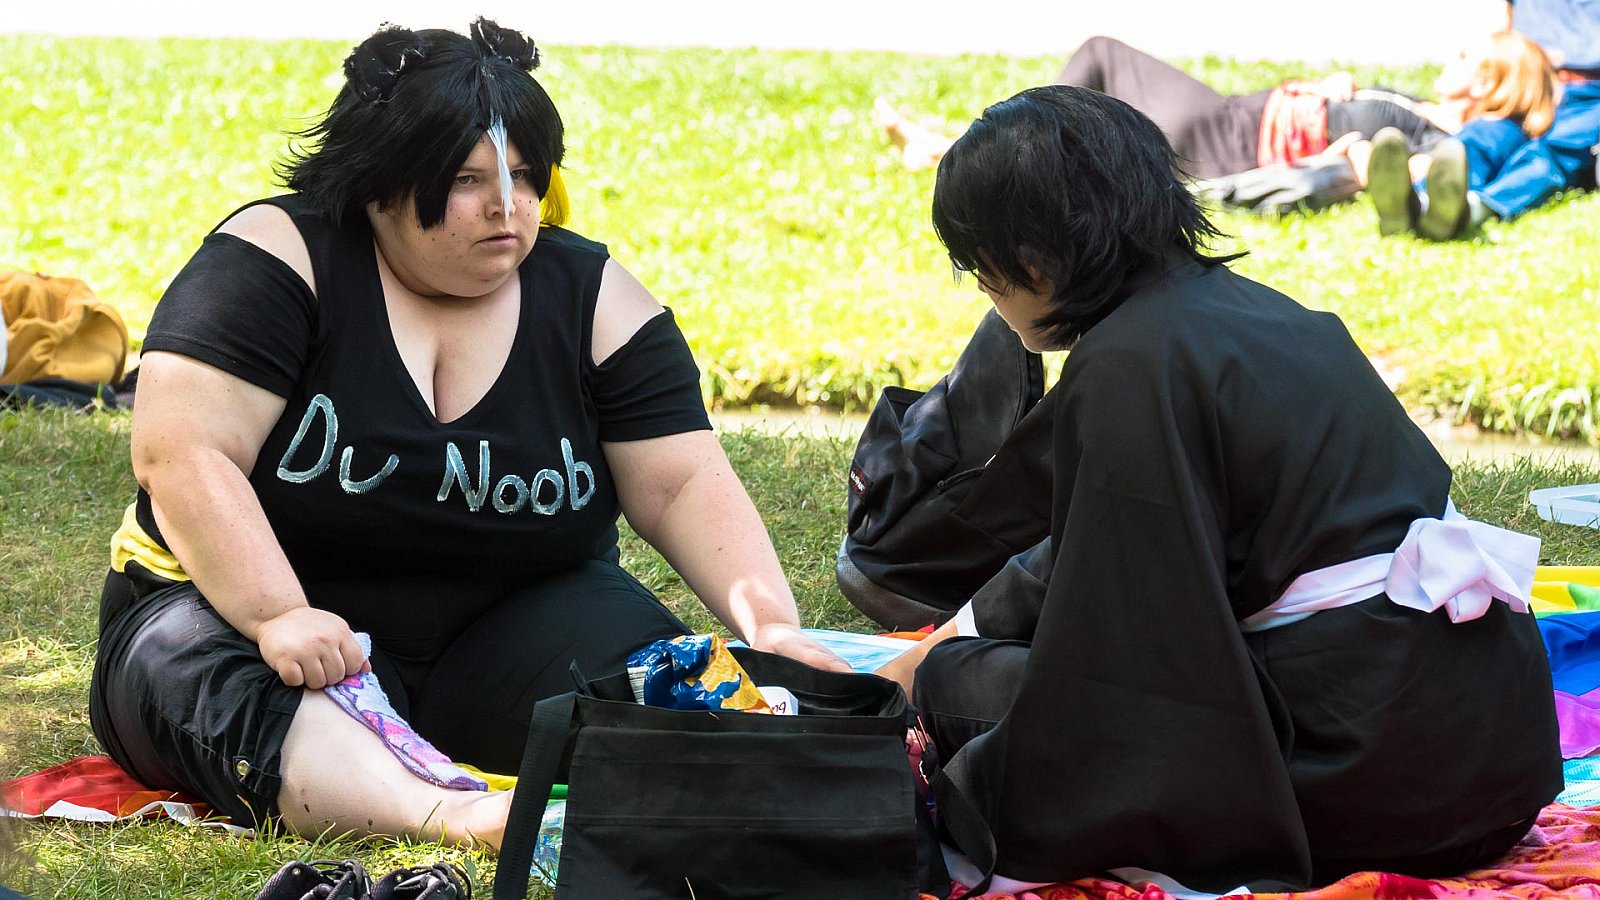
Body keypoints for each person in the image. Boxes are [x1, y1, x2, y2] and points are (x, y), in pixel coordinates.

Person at [88, 18, 847, 849]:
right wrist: (277, 615)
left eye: (523, 175)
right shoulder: (276, 259)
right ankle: (448, 816)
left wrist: (772, 629)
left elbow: (682, 483)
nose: (506, 206)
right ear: (380, 179)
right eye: (465, 180)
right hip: (250, 618)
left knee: (674, 700)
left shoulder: (593, 296)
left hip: (516, 618)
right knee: (219, 685)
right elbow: (182, 453)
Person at [875, 85, 1562, 892]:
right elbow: (1093, 546)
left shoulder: (1127, 363)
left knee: (960, 688)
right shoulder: (1260, 313)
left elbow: (1118, 649)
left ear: (1028, 263)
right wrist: (953, 630)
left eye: (981, 271)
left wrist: (943, 691)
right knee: (959, 663)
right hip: (1495, 756)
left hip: (1374, 778)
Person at [875, 36, 1466, 179]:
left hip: (1230, 136)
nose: (1455, 59)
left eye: (1469, 61)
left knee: (1100, 57)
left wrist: (1350, 158)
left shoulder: (1446, 134)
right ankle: (956, 150)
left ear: (1491, 90)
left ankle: (959, 150)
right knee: (1078, 128)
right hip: (1234, 123)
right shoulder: (1418, 106)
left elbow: (1420, 171)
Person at [1364, 31, 1561, 238]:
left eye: (1463, 57)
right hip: (1458, 187)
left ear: (1484, 84)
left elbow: (1467, 163)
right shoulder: (1513, 132)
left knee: (1464, 155)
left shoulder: (1491, 129)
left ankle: (1412, 206)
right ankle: (1410, 206)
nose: (1451, 61)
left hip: (1455, 189)